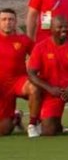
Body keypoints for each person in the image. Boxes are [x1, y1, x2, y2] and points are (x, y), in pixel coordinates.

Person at [0, 8, 35, 136]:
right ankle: (16, 117)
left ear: (15, 22)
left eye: (10, 19)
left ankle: (34, 124)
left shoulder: (23, 40)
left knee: (35, 87)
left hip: (19, 81)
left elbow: (39, 56)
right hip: (1, 87)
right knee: (4, 131)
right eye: (3, 19)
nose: (7, 22)